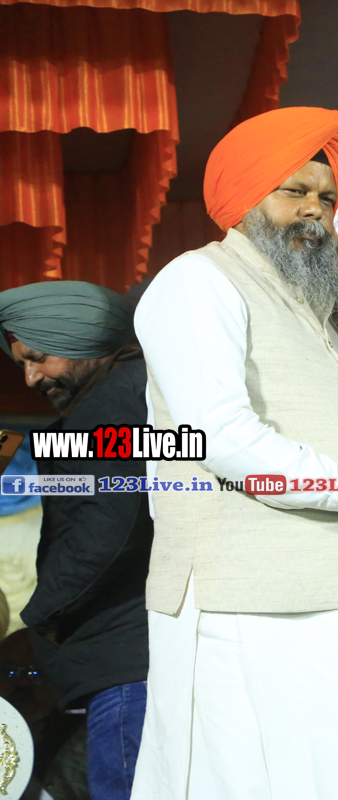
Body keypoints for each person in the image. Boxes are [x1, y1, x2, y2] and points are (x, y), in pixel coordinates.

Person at [129, 106, 338, 800]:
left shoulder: (311, 315)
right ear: (246, 197)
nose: (314, 211)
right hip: (244, 602)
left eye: (327, 199)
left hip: (334, 594)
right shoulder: (198, 281)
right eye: (294, 191)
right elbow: (221, 438)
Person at [0, 281, 152, 800]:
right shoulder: (113, 399)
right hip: (121, 659)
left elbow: (110, 524)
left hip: (125, 663)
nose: (30, 377)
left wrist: (43, 615)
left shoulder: (111, 404)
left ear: (82, 341)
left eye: (38, 358)